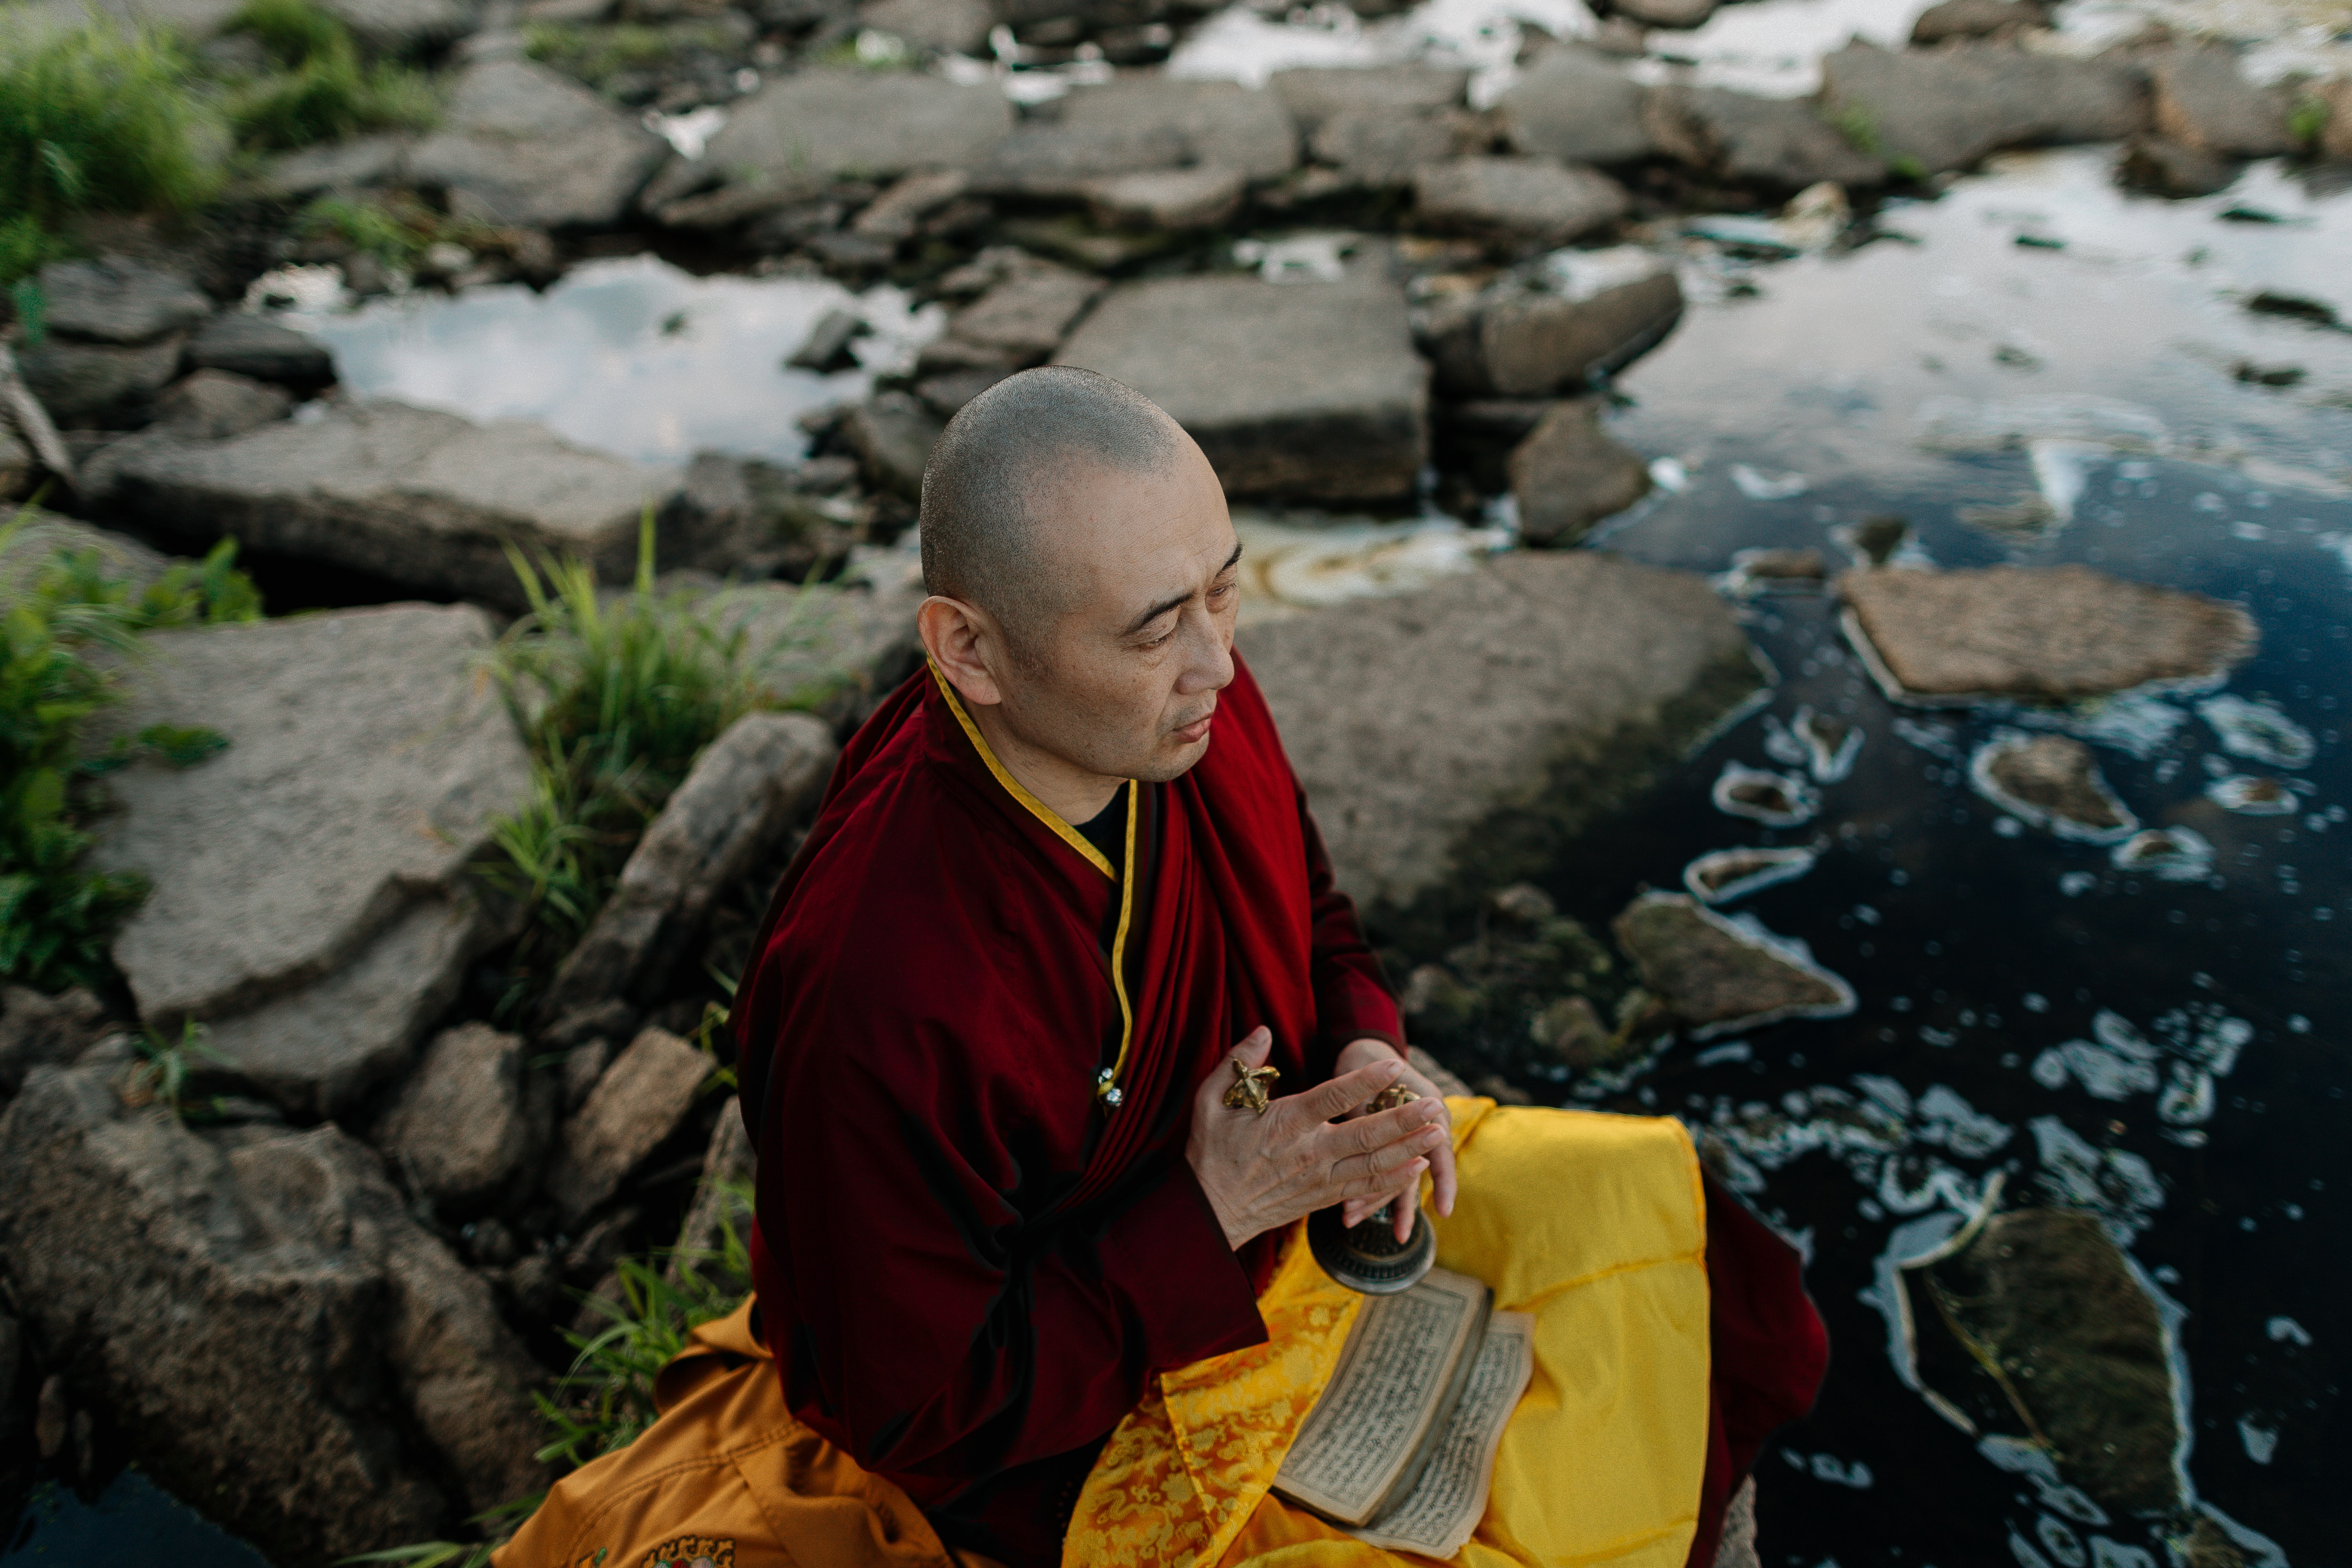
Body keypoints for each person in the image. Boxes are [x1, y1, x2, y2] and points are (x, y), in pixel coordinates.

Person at [495, 368, 1827, 1568]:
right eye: (1153, 628)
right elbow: (917, 1410)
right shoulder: (881, 986)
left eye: (1227, 586)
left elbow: (1311, 906)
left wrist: (1364, 1049)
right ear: (970, 649)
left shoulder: (1182, 711)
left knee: (1660, 1224)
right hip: (1072, 1412)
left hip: (1265, 1219)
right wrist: (1210, 1208)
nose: (1221, 661)